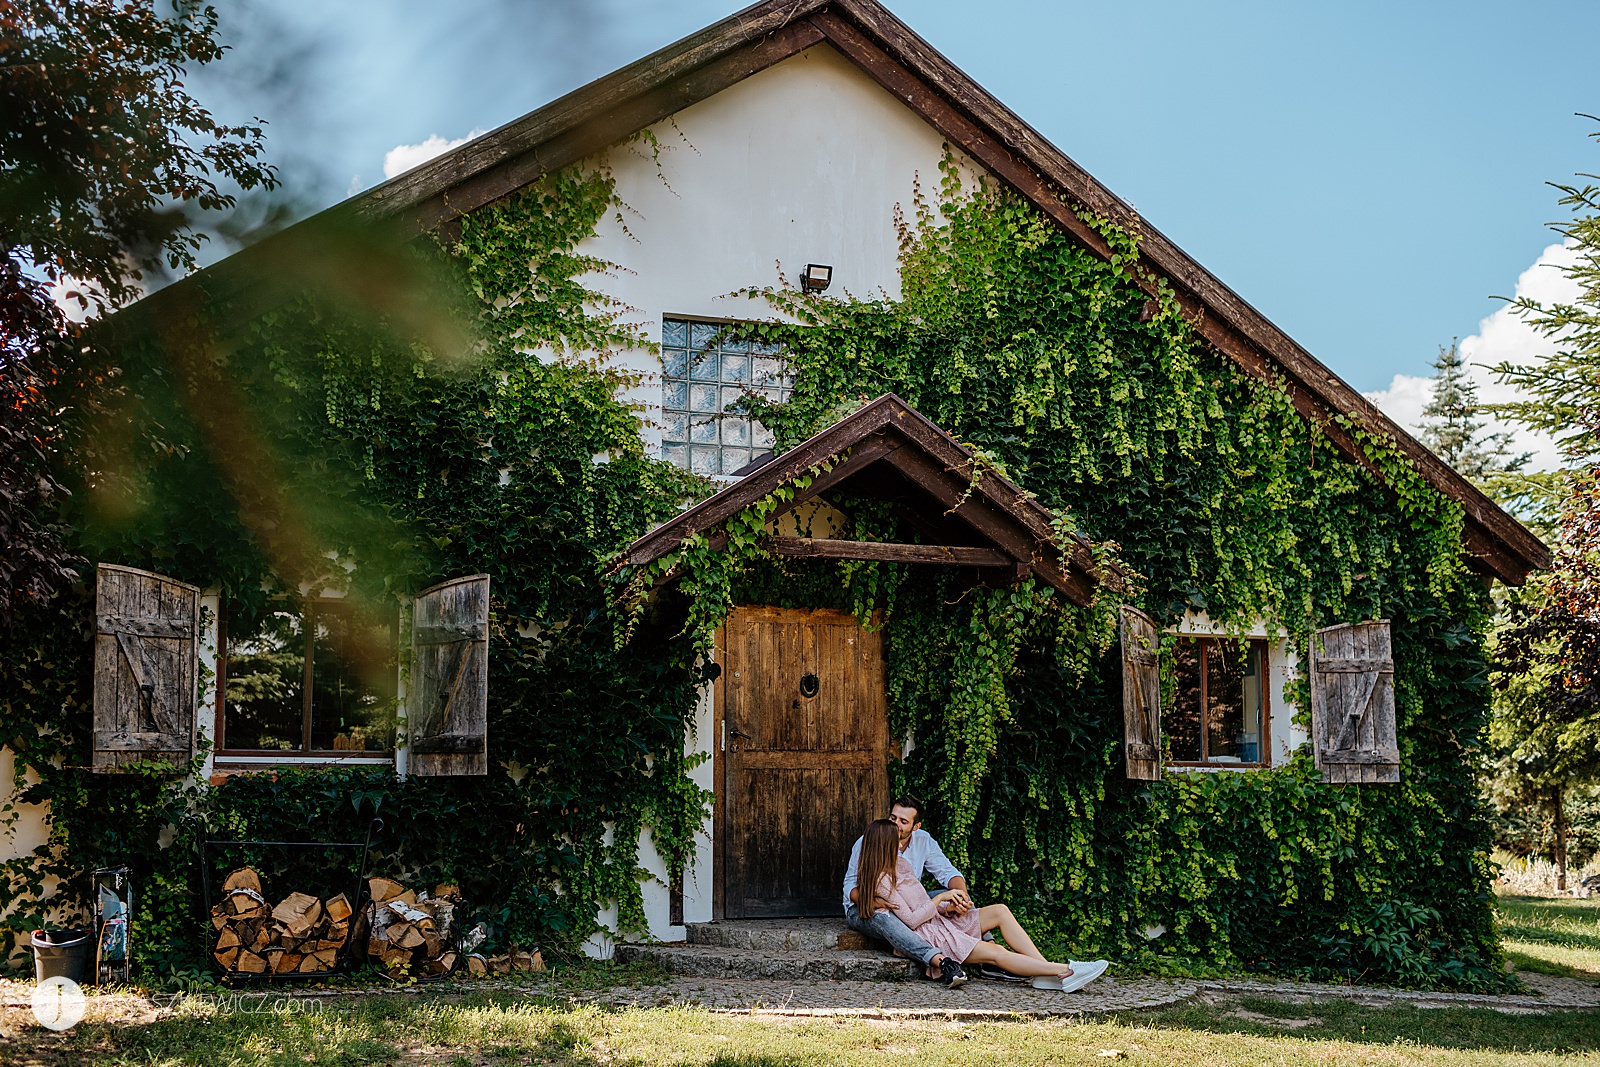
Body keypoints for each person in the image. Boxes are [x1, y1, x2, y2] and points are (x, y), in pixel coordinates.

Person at [857, 818, 1111, 993]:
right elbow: (911, 921)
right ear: (884, 845)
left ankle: (1045, 974)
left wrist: (950, 905)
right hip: (930, 934)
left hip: (939, 921)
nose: (902, 841)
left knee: (1000, 911)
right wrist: (939, 899)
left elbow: (923, 902)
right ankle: (1066, 970)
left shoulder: (901, 865)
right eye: (896, 838)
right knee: (996, 952)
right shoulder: (881, 880)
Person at [842, 795, 973, 987]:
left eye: (903, 821)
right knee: (883, 916)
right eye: (893, 818)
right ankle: (942, 961)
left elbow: (947, 872)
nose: (896, 824)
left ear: (916, 826)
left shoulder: (923, 840)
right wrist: (873, 901)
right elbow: (850, 886)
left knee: (957, 895)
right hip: (866, 906)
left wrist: (962, 898)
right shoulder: (868, 841)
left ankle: (985, 947)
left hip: (908, 903)